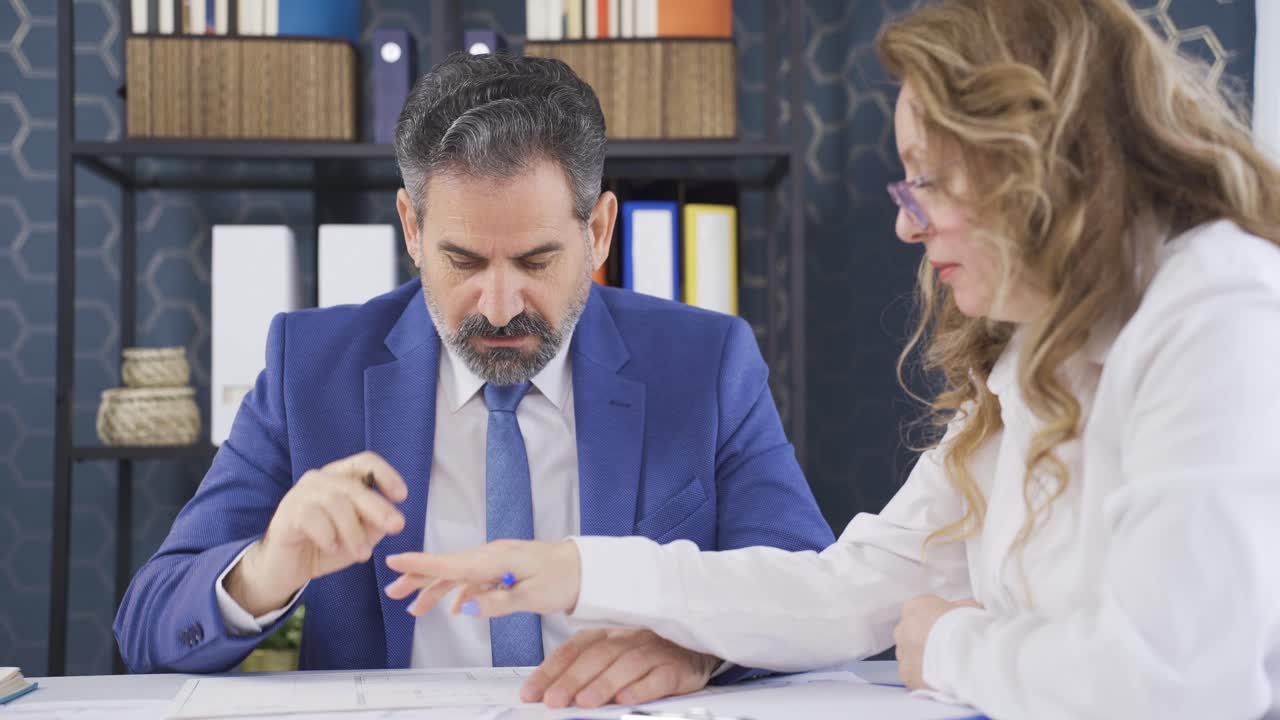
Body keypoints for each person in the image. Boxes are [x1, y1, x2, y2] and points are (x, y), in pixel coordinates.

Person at [382, 1, 1280, 717]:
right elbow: (853, 589)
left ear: (1033, 164)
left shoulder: (1216, 312)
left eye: (926, 180)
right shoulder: (1037, 356)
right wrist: (584, 568)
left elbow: (1183, 683)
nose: (905, 221)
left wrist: (952, 650)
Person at [112, 53, 835, 707]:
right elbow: (147, 625)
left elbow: (816, 596)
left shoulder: (706, 362)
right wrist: (267, 567)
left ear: (600, 231)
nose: (498, 306)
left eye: (535, 261)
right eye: (462, 262)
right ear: (412, 228)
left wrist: (699, 646)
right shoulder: (311, 368)